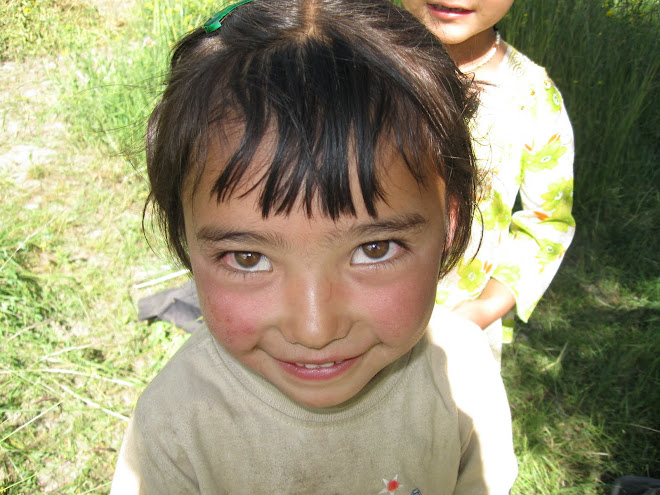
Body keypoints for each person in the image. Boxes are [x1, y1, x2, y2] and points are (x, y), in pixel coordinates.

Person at [111, 0, 518, 492]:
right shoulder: (173, 427)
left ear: (449, 224)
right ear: (185, 242)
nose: (314, 329)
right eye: (248, 257)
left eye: (375, 249)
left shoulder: (464, 374)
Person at [399, 0, 576, 361]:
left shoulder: (532, 99)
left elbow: (547, 225)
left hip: (455, 336)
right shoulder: (346, 62)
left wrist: (483, 309)